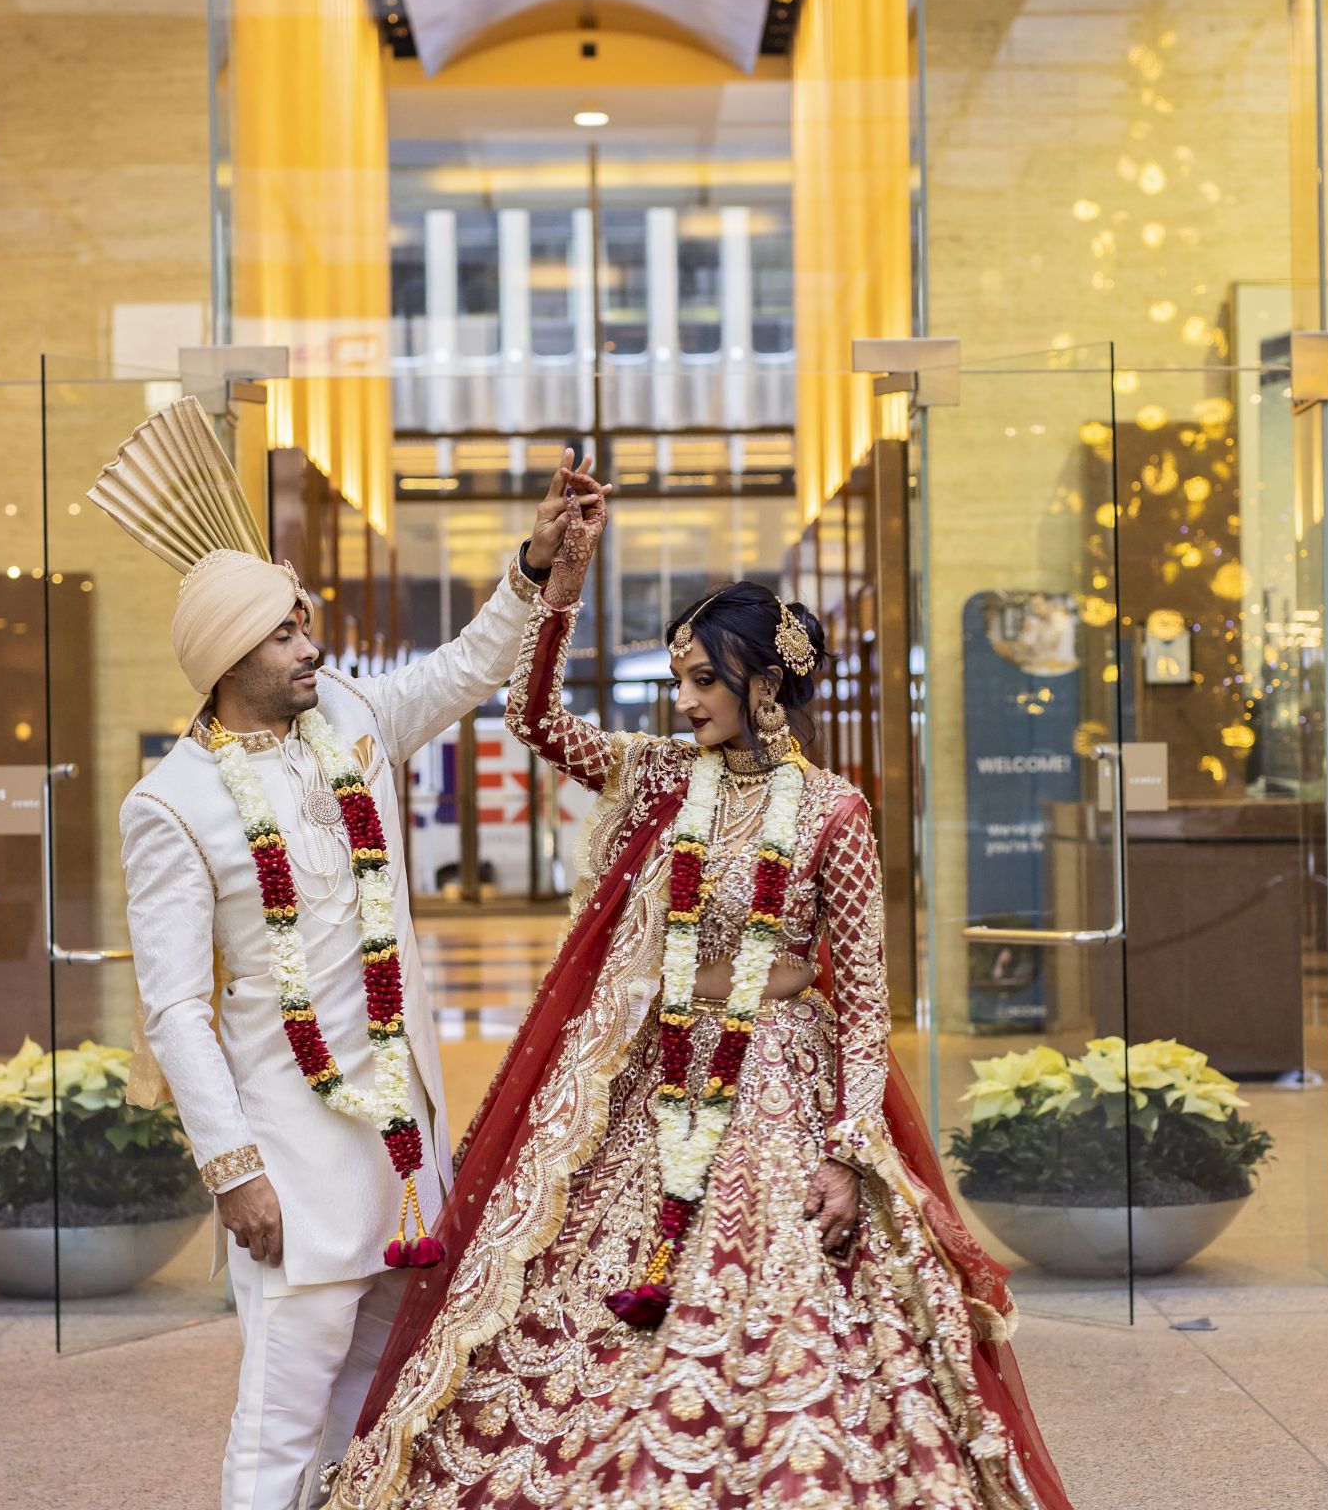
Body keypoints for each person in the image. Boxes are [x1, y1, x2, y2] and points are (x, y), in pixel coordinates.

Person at [327, 480, 1073, 1510]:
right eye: (677, 678)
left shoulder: (834, 814)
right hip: (655, 1072)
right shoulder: (662, 778)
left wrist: (850, 1155)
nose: (683, 700)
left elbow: (863, 1005)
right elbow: (531, 716)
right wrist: (563, 577)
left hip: (779, 1083)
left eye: (702, 680)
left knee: (787, 1300)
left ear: (764, 683)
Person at [108, 430, 607, 1510]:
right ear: (225, 661)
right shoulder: (171, 805)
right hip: (289, 1150)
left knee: (376, 1397)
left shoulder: (352, 719)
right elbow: (176, 1009)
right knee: (283, 1407)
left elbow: (471, 665)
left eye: (302, 622)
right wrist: (232, 1169)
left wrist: (531, 566)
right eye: (282, 632)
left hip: (397, 1140)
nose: (308, 644)